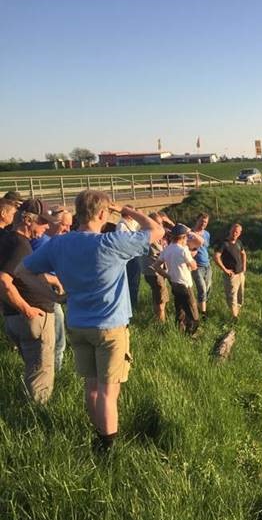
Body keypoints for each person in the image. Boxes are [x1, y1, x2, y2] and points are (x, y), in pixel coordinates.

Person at [23, 190, 164, 452]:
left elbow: (25, 270)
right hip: (110, 327)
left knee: (91, 387)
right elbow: (157, 231)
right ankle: (107, 447)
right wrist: (128, 211)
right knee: (109, 393)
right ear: (102, 213)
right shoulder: (112, 243)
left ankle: (97, 432)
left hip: (78, 324)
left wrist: (51, 293)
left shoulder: (59, 244)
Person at [0, 199, 59, 404]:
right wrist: (27, 309)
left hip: (12, 317)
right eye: (42, 222)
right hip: (32, 318)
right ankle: (37, 418)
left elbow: (20, 274)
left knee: (33, 368)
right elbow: (4, 281)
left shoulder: (6, 239)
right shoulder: (20, 245)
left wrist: (52, 279)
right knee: (40, 373)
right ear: (27, 220)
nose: (46, 227)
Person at [29, 207, 73, 372]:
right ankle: (55, 373)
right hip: (46, 294)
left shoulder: (50, 240)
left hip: (49, 293)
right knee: (57, 338)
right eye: (64, 225)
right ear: (53, 223)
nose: (67, 229)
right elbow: (29, 271)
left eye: (69, 226)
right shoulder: (43, 242)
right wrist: (56, 280)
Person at [153, 223, 199, 334]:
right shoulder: (183, 250)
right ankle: (192, 333)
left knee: (180, 309)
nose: (187, 239)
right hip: (185, 284)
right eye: (186, 237)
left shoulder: (167, 249)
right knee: (192, 311)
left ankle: (179, 331)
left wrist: (167, 275)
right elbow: (194, 266)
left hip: (174, 283)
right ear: (183, 237)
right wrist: (192, 258)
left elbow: (156, 266)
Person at [213, 223, 246, 319]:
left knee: (240, 296)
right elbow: (216, 257)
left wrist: (244, 267)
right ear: (230, 230)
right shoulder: (223, 243)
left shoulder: (239, 242)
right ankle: (234, 317)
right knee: (232, 297)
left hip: (240, 274)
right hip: (231, 275)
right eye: (233, 231)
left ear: (239, 233)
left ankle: (236, 313)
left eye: (237, 232)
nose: (235, 233)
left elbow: (243, 253)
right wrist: (225, 270)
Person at [140, 213, 169, 322]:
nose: (160, 226)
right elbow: (159, 253)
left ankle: (159, 320)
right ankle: (161, 324)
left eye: (161, 223)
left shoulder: (150, 234)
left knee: (158, 298)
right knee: (161, 300)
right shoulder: (149, 236)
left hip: (155, 271)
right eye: (158, 223)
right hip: (154, 272)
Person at [115, 205, 142, 311]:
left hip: (135, 255)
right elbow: (122, 243)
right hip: (129, 257)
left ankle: (134, 303)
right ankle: (131, 306)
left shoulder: (132, 223)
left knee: (135, 281)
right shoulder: (121, 225)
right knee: (132, 282)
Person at [190, 213, 212, 316]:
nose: (203, 224)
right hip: (196, 266)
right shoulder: (190, 233)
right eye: (202, 221)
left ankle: (200, 306)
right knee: (202, 289)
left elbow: (206, 247)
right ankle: (203, 313)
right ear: (197, 220)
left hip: (207, 264)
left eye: (206, 222)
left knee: (207, 289)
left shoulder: (207, 234)